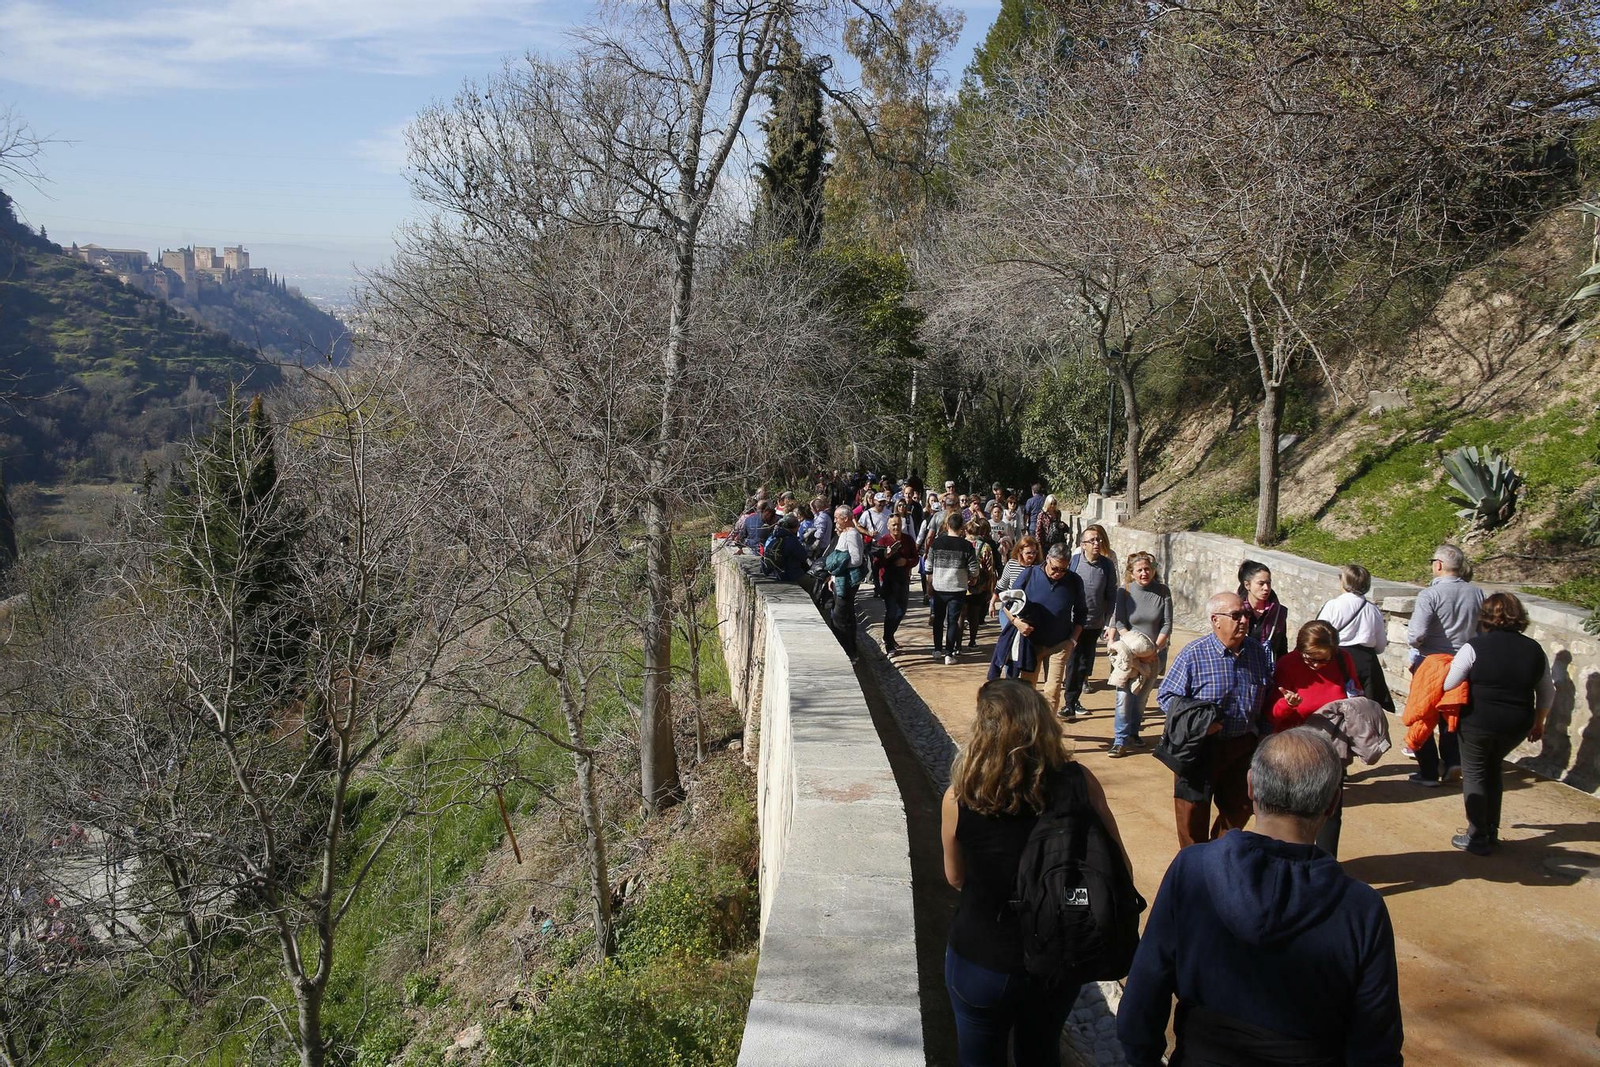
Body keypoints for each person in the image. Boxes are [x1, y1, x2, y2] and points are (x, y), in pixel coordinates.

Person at [1118, 728, 1403, 1067]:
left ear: (1250, 786)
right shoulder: (1361, 909)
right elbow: (1376, 1045)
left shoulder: (1193, 870)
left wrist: (1143, 1059)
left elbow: (1145, 992)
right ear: (1332, 803)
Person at [942, 679, 1132, 1067]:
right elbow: (1120, 867)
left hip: (983, 956)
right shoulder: (1080, 783)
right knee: (1041, 1051)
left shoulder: (961, 795)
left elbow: (955, 877)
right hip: (1058, 955)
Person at [1157, 592, 1273, 848]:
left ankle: (1218, 853)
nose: (1244, 620)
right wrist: (1200, 724)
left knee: (1242, 808)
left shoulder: (1257, 653)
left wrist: (1263, 734)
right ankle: (1194, 864)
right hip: (1199, 749)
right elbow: (1166, 697)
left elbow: (1267, 696)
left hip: (1242, 747)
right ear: (1215, 620)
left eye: (1245, 614)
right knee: (1191, 816)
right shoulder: (1193, 654)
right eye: (1235, 615)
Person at [1444, 592, 1553, 855]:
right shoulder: (1535, 650)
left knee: (1474, 774)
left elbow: (1449, 683)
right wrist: (1539, 723)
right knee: (1493, 770)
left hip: (1477, 721)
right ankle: (1490, 830)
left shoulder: (1474, 647)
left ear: (1486, 617)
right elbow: (1547, 691)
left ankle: (1477, 835)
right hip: (1516, 724)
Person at [1406, 543, 1484, 787]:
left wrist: (1416, 645)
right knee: (1452, 712)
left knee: (1423, 712)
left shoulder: (1430, 594)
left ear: (1438, 565)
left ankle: (1428, 770)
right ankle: (1452, 760)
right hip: (1464, 661)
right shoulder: (1477, 593)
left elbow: (1417, 633)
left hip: (1431, 661)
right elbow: (1482, 630)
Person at [1003, 544, 1087, 717]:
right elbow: (1007, 603)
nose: (1058, 573)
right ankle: (1027, 729)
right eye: (1055, 568)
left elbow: (1081, 613)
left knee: (1053, 690)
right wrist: (1016, 622)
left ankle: (1046, 733)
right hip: (1031, 643)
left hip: (1060, 643)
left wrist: (1073, 641)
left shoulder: (1074, 581)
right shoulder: (1030, 574)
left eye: (1063, 569)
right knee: (1027, 690)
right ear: (1047, 558)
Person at [1105, 551, 1173, 757]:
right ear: (1132, 573)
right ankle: (1120, 739)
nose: (1144, 573)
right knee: (1123, 696)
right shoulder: (1124, 591)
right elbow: (1120, 623)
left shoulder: (1163, 591)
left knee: (1141, 697)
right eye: (1139, 570)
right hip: (1129, 654)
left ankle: (1134, 731)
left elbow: (1167, 624)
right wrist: (1136, 648)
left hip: (1154, 654)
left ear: (1153, 570)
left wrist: (1154, 650)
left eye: (1147, 569)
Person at [1316, 563, 1394, 713]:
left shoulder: (1333, 606)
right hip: (1366, 663)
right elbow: (1380, 646)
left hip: (1336, 660)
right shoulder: (1373, 610)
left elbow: (1318, 633)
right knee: (1365, 711)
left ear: (1345, 583)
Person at [1063, 525, 1117, 720]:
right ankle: (1069, 703)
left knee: (1083, 664)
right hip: (1072, 622)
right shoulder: (1074, 562)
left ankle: (1072, 701)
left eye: (1099, 540)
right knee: (1073, 662)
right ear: (1082, 544)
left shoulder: (1107, 565)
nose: (1097, 543)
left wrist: (1110, 622)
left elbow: (1112, 595)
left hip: (1094, 622)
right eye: (1092, 540)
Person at [929, 511, 980, 665]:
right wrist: (972, 577)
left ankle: (937, 649)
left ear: (947, 525)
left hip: (939, 587)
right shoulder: (967, 546)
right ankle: (949, 653)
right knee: (953, 621)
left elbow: (928, 566)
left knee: (938, 619)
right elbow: (974, 569)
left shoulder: (936, 543)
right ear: (962, 527)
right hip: (957, 588)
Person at [825, 506, 868, 658]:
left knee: (840, 617)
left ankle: (848, 652)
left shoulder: (851, 534)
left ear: (845, 518)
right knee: (846, 615)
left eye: (837, 517)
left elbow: (856, 560)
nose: (835, 520)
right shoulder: (845, 534)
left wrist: (839, 566)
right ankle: (851, 651)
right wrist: (833, 577)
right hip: (840, 580)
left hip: (847, 583)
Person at [876, 515, 918, 655]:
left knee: (902, 610)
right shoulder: (883, 541)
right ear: (888, 526)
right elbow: (876, 562)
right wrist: (885, 556)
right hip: (888, 580)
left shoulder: (908, 540)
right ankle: (889, 644)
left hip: (903, 579)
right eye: (893, 524)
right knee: (891, 611)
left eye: (898, 524)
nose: (896, 527)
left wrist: (906, 562)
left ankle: (889, 635)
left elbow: (915, 558)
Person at [1237, 560, 1288, 661]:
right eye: (1261, 583)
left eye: (1268, 583)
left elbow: (1281, 647)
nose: (1266, 588)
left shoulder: (1278, 612)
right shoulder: (1235, 610)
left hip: (1266, 670)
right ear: (1247, 585)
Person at [964, 517, 1001, 649]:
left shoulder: (961, 544)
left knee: (961, 615)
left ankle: (956, 646)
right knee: (974, 615)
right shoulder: (986, 546)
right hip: (980, 587)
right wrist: (990, 589)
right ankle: (972, 641)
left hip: (962, 585)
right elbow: (990, 569)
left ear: (966, 531)